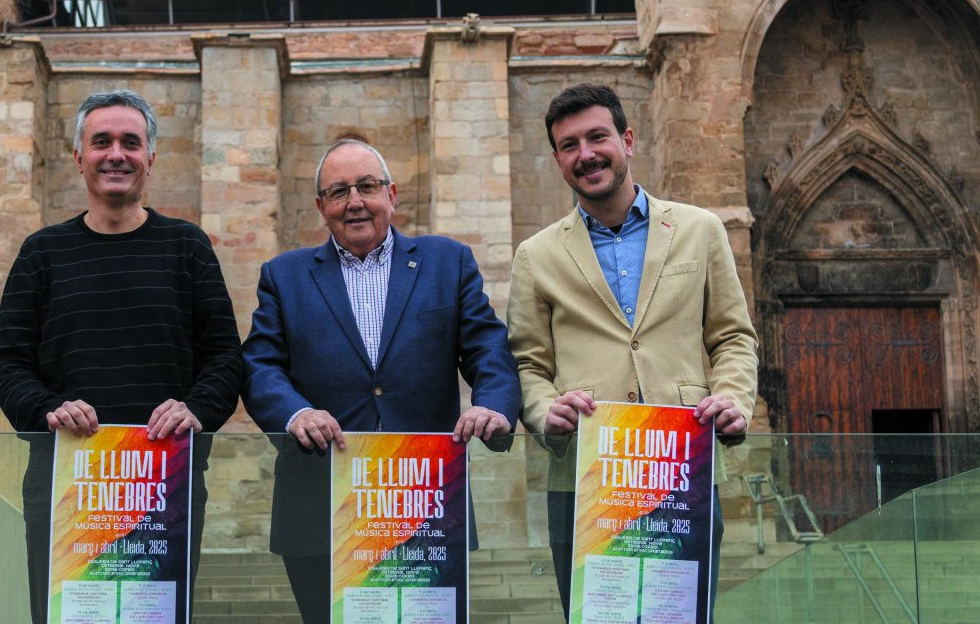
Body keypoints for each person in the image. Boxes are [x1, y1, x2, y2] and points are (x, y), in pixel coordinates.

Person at [0, 89, 244, 624]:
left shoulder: (187, 247)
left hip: (163, 483)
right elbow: (7, 361)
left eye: (131, 142)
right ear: (79, 157)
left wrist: (196, 409)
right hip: (65, 484)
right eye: (100, 142)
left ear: (151, 157)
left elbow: (224, 356)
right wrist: (47, 409)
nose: (116, 154)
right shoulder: (43, 252)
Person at [242, 138, 520, 623]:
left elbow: (487, 348)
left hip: (425, 501)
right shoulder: (283, 275)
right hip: (321, 503)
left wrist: (493, 404)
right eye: (338, 191)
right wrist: (296, 412)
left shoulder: (446, 261)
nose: (354, 201)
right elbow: (259, 364)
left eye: (366, 186)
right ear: (321, 207)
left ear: (392, 194)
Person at [506, 83, 759, 615]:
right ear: (557, 160)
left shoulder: (700, 230)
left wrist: (733, 399)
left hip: (681, 468)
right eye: (569, 145)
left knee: (681, 615)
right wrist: (542, 411)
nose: (586, 154)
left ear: (626, 139)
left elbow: (733, 337)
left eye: (597, 137)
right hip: (584, 477)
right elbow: (528, 363)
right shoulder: (536, 255)